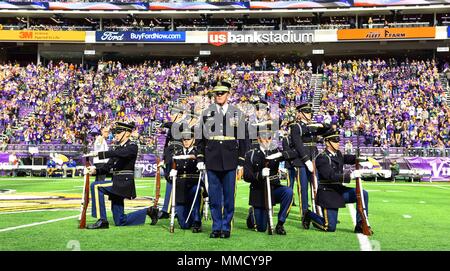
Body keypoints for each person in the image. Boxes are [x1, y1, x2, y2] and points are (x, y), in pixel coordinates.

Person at [196, 80, 248, 239]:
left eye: (222, 93)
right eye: (217, 93)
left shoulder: (237, 113)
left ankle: (226, 227)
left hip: (230, 159)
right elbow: (200, 138)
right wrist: (200, 158)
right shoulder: (206, 113)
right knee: (214, 196)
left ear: (228, 94)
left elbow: (244, 139)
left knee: (229, 196)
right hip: (211, 159)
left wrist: (241, 161)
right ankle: (216, 226)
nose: (219, 96)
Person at [83, 122, 153, 229]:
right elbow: (107, 167)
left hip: (123, 183)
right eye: (116, 132)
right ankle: (149, 211)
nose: (116, 134)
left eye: (119, 132)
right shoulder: (117, 149)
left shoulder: (132, 146)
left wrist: (100, 154)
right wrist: (95, 171)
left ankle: (102, 220)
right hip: (117, 183)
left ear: (127, 133)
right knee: (120, 221)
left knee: (96, 186)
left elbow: (119, 154)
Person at [302, 130, 373, 234]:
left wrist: (363, 159)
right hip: (328, 194)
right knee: (329, 227)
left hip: (339, 191)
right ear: (327, 142)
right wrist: (350, 176)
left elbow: (347, 158)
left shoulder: (338, 153)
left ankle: (360, 225)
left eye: (338, 140)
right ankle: (308, 215)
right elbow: (330, 176)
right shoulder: (322, 158)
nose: (338, 142)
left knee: (363, 194)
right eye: (335, 141)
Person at [244, 123, 296, 235]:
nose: (267, 140)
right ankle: (252, 213)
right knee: (261, 227)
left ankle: (280, 224)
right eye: (264, 137)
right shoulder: (251, 154)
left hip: (274, 189)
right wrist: (259, 174)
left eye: (269, 137)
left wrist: (281, 154)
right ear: (258, 138)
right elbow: (246, 176)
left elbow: (294, 154)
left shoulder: (275, 151)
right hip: (259, 191)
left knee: (288, 192)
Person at [289, 103, 329, 219]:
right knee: (304, 189)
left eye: (310, 112)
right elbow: (298, 144)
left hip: (314, 159)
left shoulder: (313, 126)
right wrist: (306, 160)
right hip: (302, 161)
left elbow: (329, 129)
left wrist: (321, 124)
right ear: (300, 114)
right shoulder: (296, 127)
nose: (309, 114)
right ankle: (305, 214)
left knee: (318, 186)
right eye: (306, 112)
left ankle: (320, 212)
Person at [163, 129, 202, 232]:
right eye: (184, 139)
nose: (186, 141)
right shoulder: (177, 153)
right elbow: (169, 171)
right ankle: (188, 221)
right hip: (180, 186)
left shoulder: (198, 152)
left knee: (195, 194)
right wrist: (171, 173)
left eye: (188, 139)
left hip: (194, 183)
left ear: (193, 140)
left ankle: (197, 221)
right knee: (184, 225)